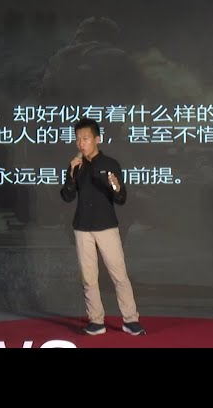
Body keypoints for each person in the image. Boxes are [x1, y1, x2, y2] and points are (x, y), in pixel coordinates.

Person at [60, 117, 146, 336]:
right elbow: (67, 196)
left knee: (119, 275)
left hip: (106, 226)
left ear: (97, 139)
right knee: (88, 278)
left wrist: (115, 186)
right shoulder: (76, 165)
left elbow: (121, 197)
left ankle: (131, 320)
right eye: (78, 139)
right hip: (82, 228)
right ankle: (96, 321)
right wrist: (71, 175)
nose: (81, 143)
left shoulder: (110, 164)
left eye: (86, 138)